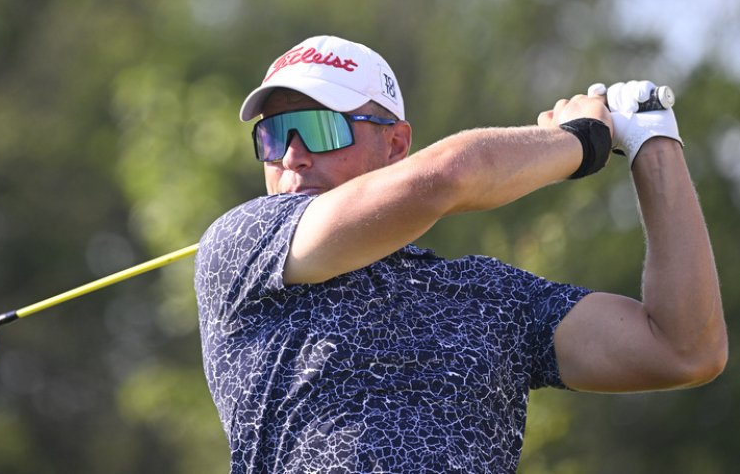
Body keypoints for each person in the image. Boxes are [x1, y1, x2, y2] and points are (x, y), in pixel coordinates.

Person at [194, 35, 727, 473]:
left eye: (317, 128)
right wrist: (579, 140)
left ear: (396, 145)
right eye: (273, 135)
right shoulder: (243, 244)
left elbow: (684, 349)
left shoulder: (489, 296)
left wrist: (653, 142)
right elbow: (445, 178)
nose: (292, 157)